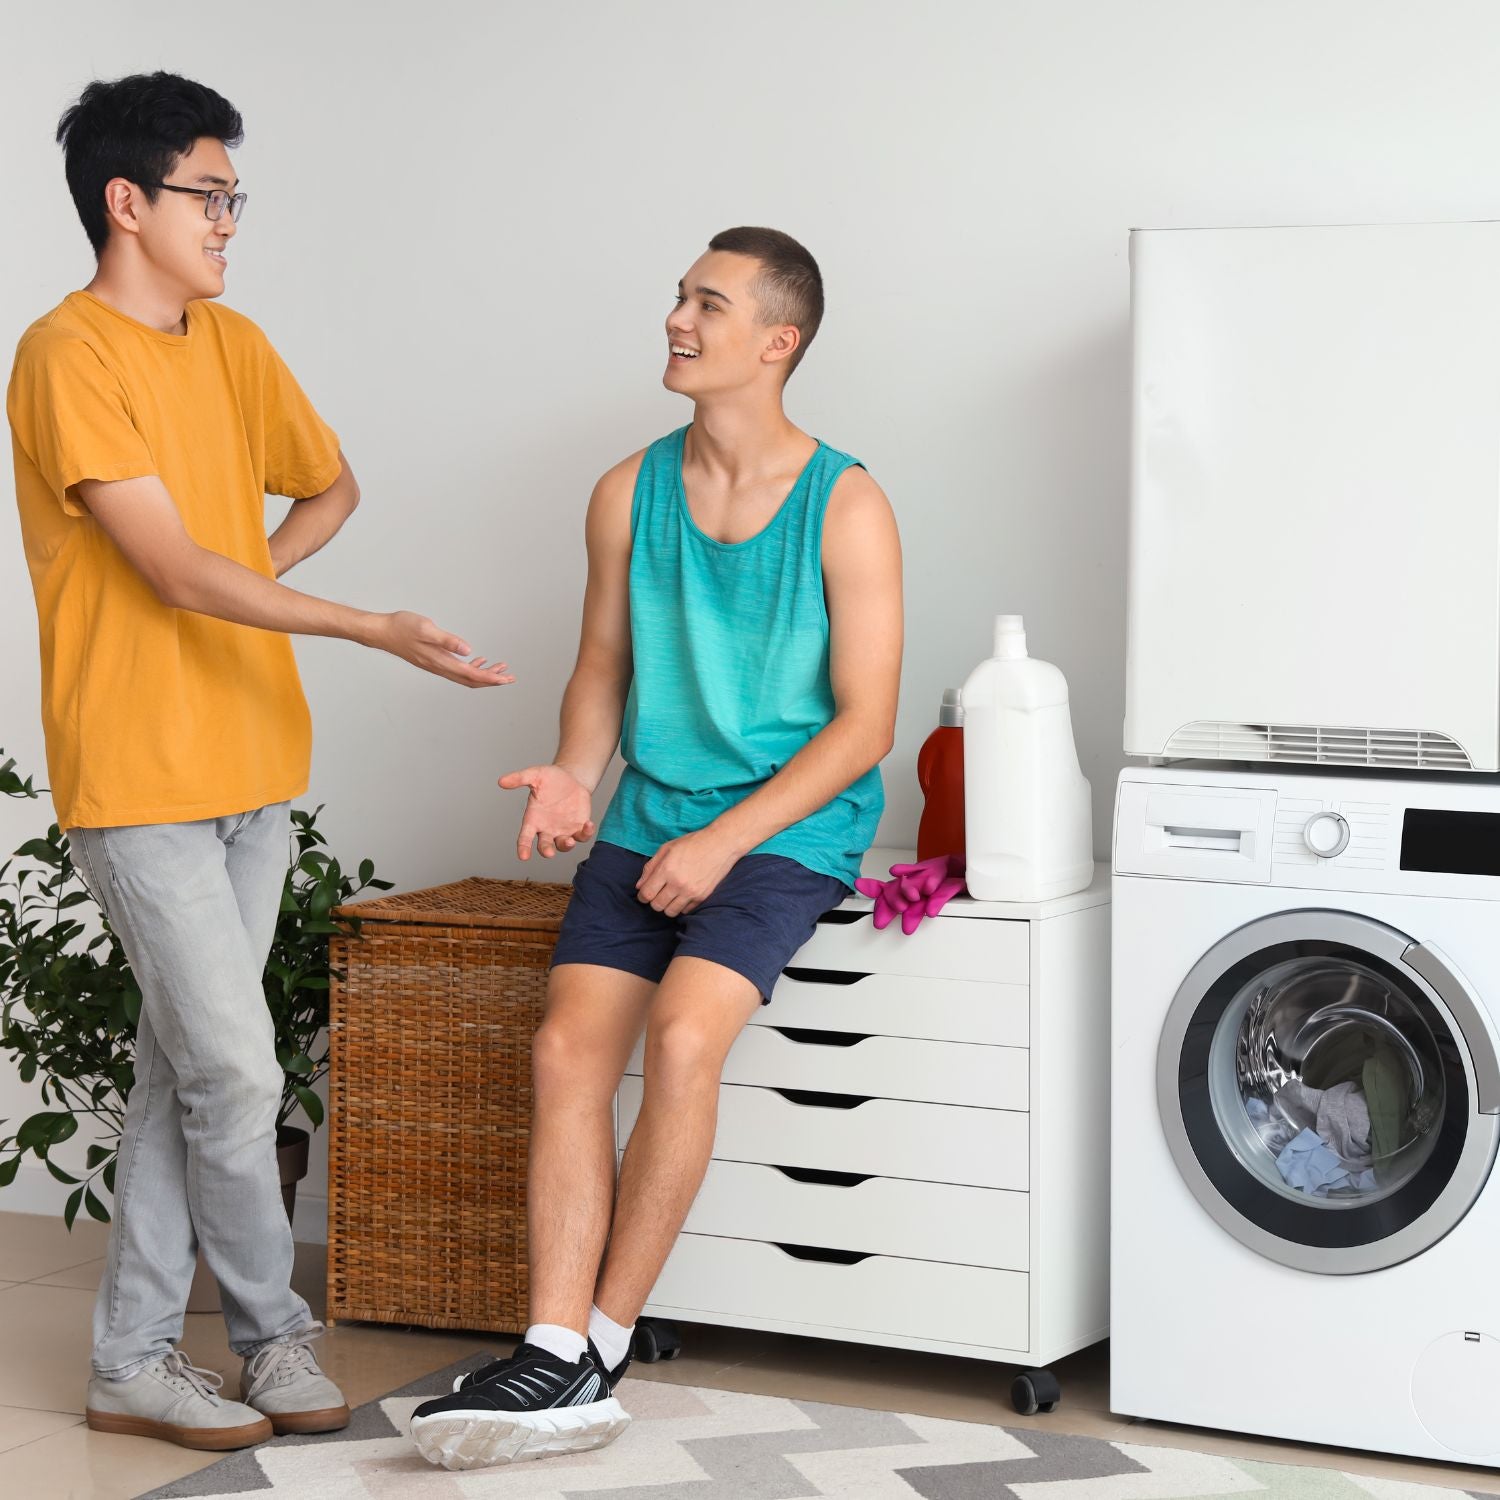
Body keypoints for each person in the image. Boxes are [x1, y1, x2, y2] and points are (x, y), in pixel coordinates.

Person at [6, 71, 511, 1452]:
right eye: (208, 195)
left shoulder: (231, 344)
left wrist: (260, 573)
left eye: (236, 198)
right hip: (139, 770)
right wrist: (371, 626)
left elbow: (330, 481)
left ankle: (131, 1362)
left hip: (253, 763)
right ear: (129, 201)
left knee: (191, 1072)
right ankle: (276, 1341)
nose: (230, 222)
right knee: (234, 1074)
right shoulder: (66, 356)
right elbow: (170, 570)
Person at [408, 226, 902, 1471]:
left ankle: (604, 1342)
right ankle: (549, 1339)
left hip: (788, 822)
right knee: (566, 1047)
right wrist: (576, 772)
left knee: (685, 1034)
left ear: (777, 342)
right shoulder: (628, 490)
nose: (677, 320)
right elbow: (602, 670)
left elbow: (866, 726)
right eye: (680, 297)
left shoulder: (847, 504)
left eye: (709, 304)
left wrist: (727, 841)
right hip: (647, 818)